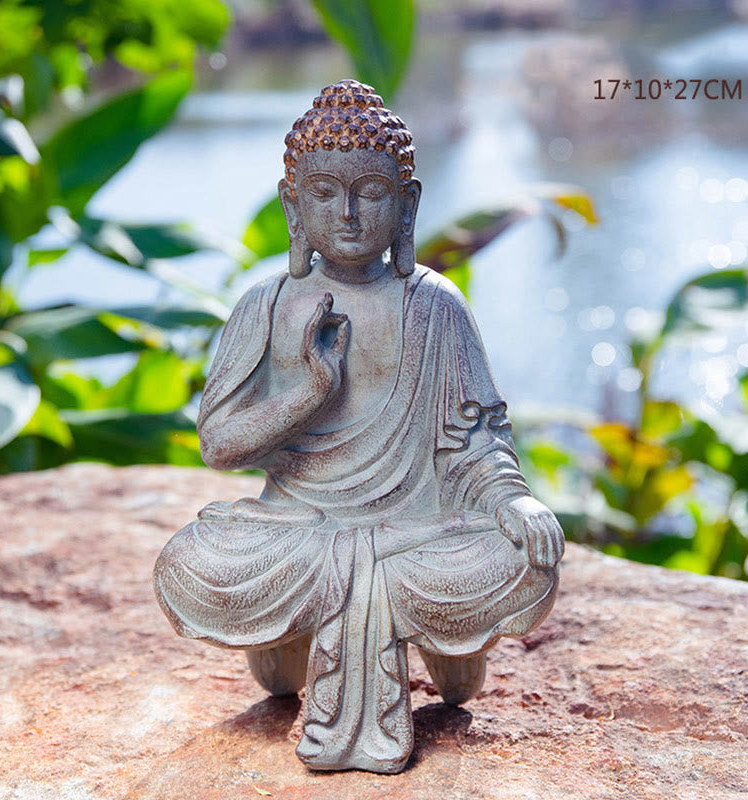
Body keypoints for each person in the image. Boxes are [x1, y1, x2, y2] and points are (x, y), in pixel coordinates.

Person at [153, 80, 564, 774]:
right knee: (188, 563)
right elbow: (219, 447)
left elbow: (475, 442)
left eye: (371, 193)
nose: (346, 214)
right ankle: (350, 638)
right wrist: (309, 394)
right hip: (296, 532)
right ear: (293, 204)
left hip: (417, 530)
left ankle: (434, 647)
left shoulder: (435, 306)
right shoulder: (268, 303)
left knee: (528, 558)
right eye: (322, 193)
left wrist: (511, 501)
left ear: (407, 206)